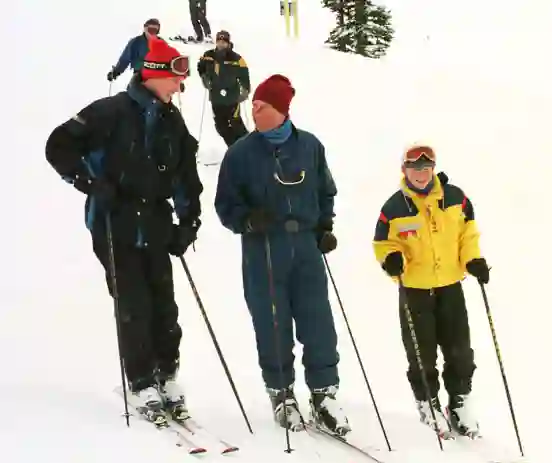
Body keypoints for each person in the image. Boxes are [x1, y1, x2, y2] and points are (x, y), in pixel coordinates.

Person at [45, 38, 203, 426]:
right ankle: (141, 379)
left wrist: (188, 221)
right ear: (155, 75)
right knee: (133, 302)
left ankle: (167, 374)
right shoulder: (109, 111)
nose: (180, 87)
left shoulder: (172, 120)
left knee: (164, 301)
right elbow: (58, 145)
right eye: (176, 79)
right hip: (114, 220)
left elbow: (186, 174)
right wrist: (87, 180)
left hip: (155, 221)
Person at [214, 74, 350, 436]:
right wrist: (247, 220)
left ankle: (324, 394)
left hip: (305, 247)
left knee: (317, 320)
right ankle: (281, 392)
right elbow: (225, 205)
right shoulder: (240, 152)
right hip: (264, 249)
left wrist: (325, 227)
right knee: (272, 322)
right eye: (253, 106)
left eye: (261, 107)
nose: (254, 111)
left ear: (281, 111)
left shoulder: (310, 146)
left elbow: (326, 191)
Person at [372, 144, 489, 438]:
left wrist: (473, 260)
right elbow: (383, 243)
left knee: (459, 350)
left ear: (433, 169)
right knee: (421, 353)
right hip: (415, 290)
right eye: (414, 168)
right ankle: (428, 403)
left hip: (450, 286)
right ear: (404, 171)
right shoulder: (394, 207)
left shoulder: (456, 199)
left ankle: (459, 402)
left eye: (425, 168)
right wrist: (391, 259)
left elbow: (468, 235)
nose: (420, 174)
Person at [197, 30, 250, 147]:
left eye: (224, 42)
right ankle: (233, 148)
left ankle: (248, 146)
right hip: (216, 97)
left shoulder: (236, 59)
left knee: (235, 124)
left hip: (232, 97)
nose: (221, 44)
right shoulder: (208, 55)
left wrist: (245, 90)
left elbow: (244, 74)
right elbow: (200, 67)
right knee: (221, 126)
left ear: (228, 43)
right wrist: (204, 78)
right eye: (219, 41)